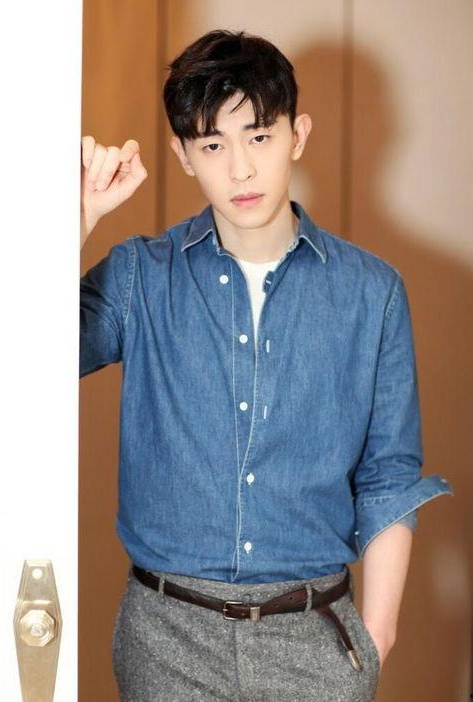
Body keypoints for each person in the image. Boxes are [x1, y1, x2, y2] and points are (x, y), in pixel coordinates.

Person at [80, 29, 453, 702]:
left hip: (316, 642)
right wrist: (76, 217)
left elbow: (390, 474)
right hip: (166, 642)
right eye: (212, 145)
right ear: (182, 155)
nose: (241, 170)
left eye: (259, 136)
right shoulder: (140, 276)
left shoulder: (372, 292)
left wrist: (376, 638)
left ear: (296, 135)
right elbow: (15, 363)